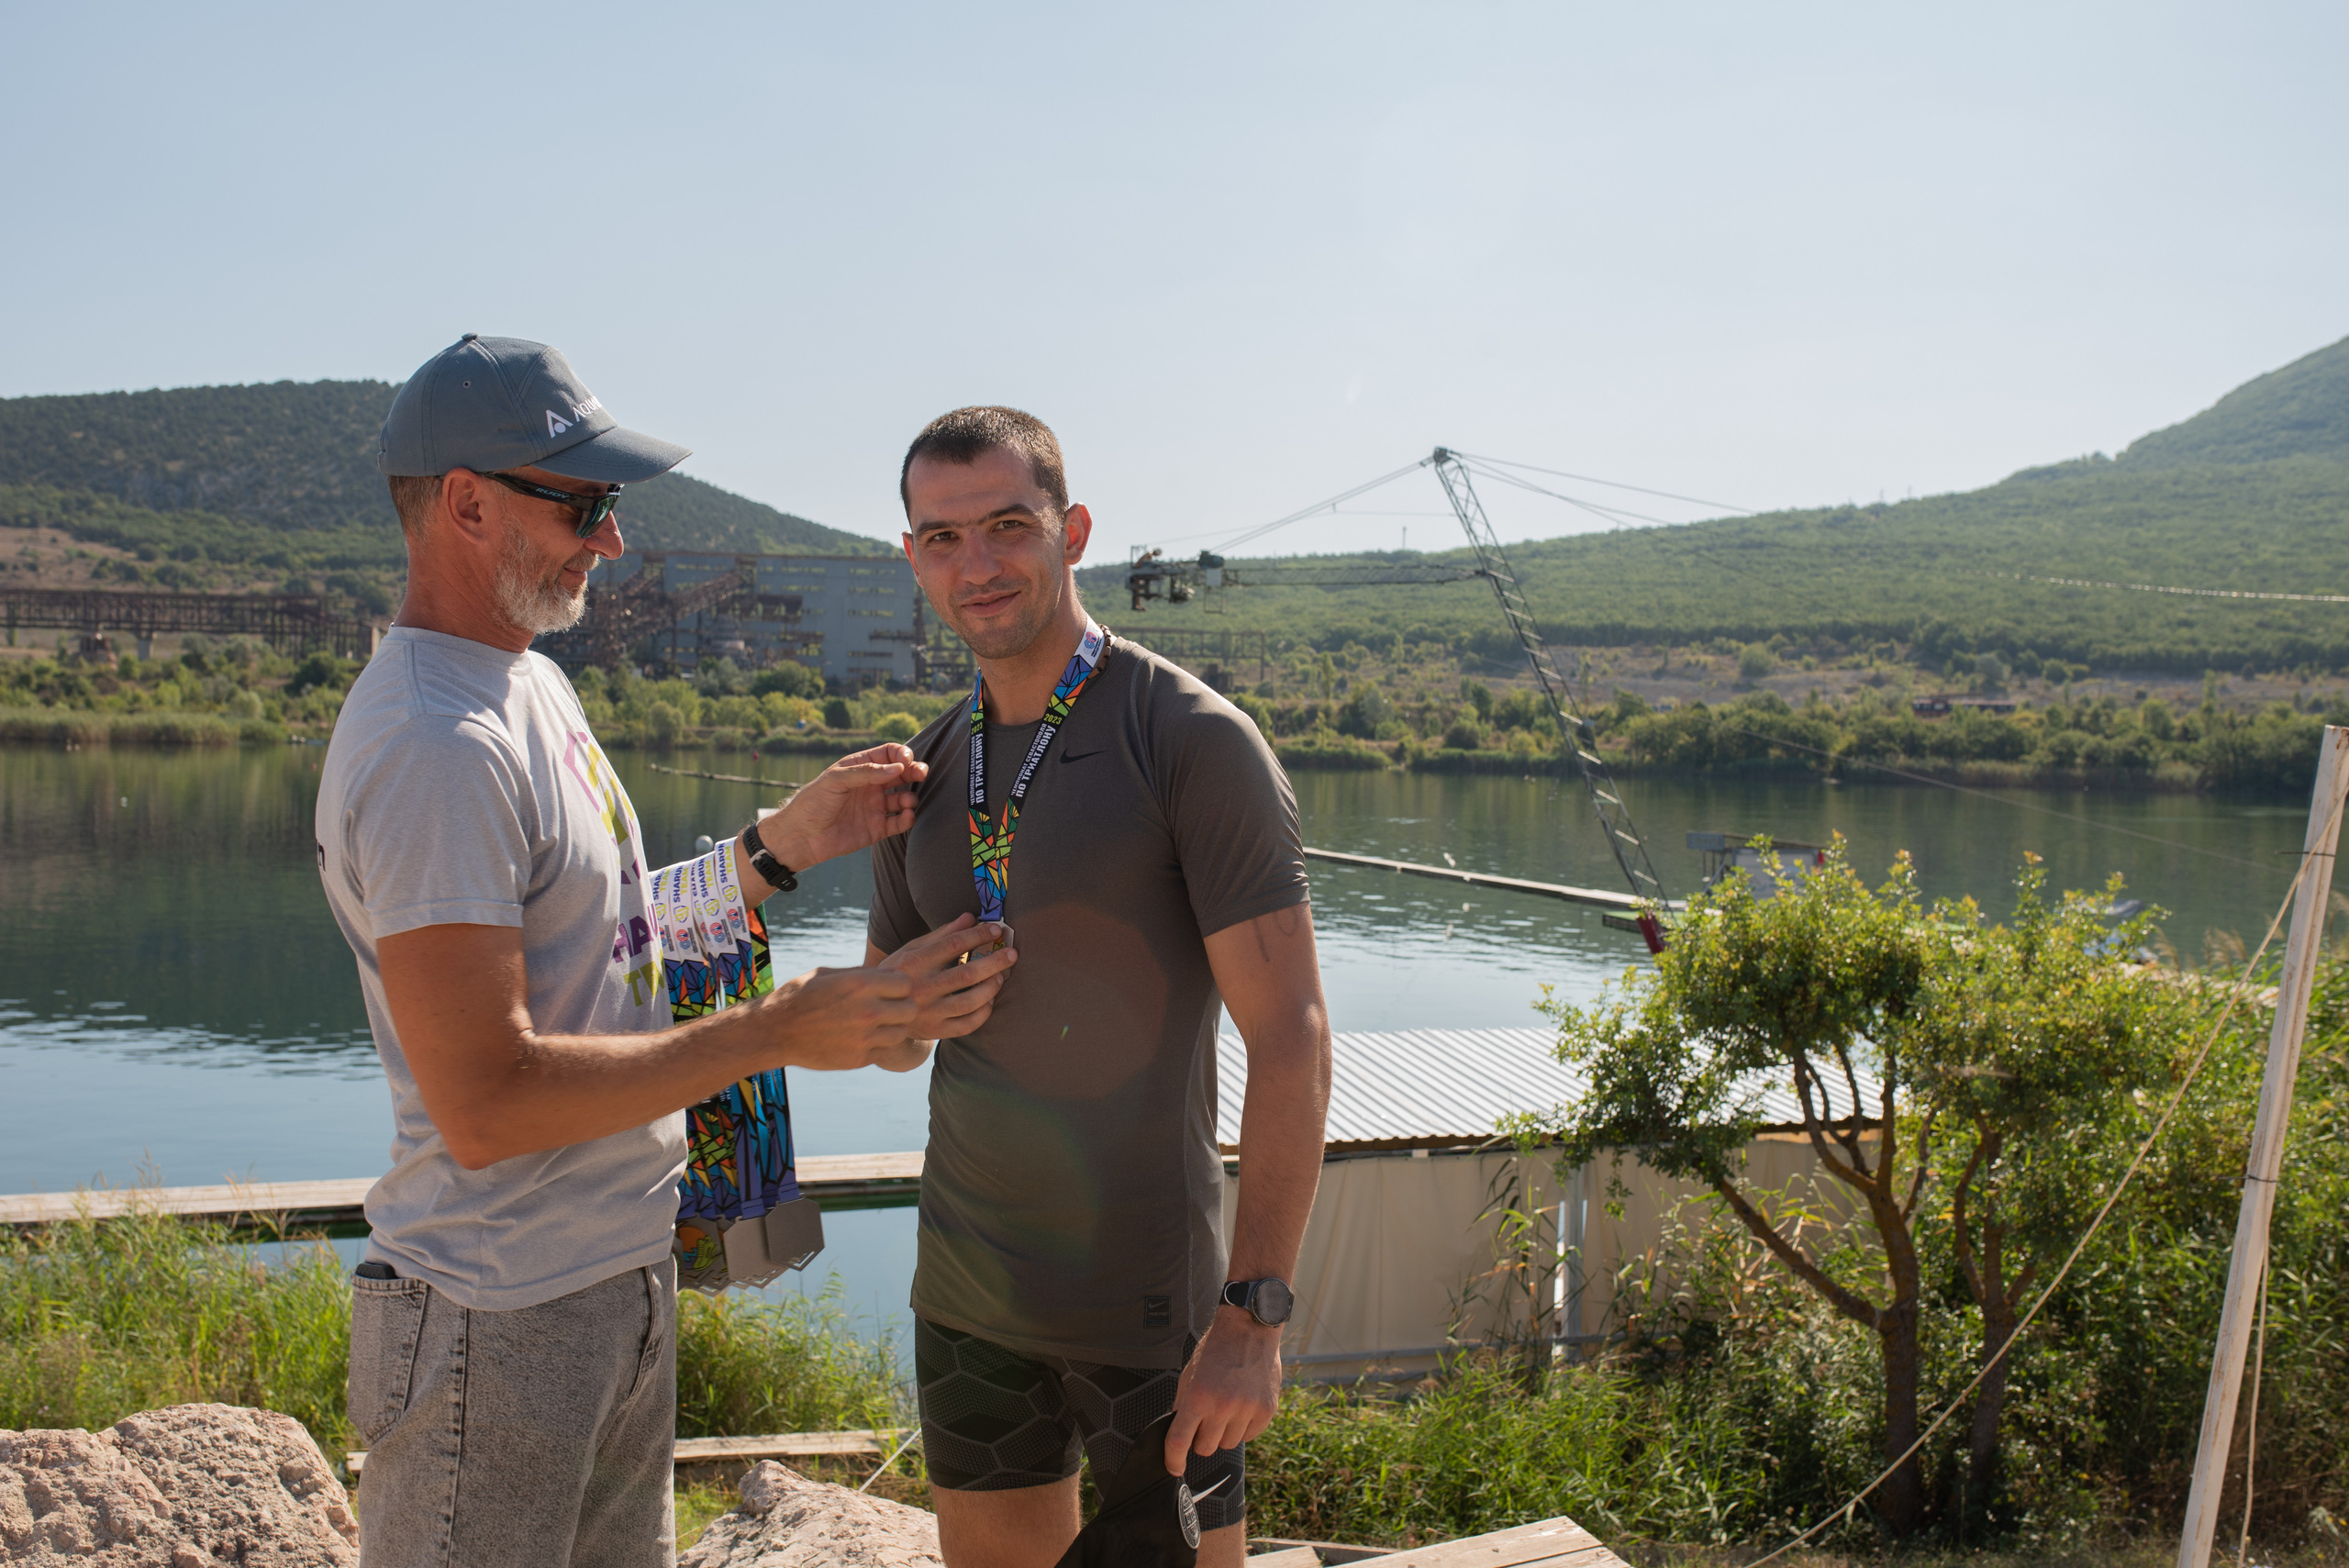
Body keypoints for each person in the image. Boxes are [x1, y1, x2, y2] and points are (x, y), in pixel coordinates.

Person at [318, 335, 1013, 1568]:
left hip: (605, 1290)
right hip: (495, 1317)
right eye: (582, 504)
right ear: (467, 503)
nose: (613, 540)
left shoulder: (522, 685)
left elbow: (602, 935)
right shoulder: (436, 745)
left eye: (614, 504)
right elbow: (482, 1100)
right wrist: (780, 1028)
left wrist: (774, 851)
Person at [865, 406, 1333, 1568]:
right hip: (967, 1296)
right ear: (912, 557)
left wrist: (1254, 1315)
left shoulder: (1189, 740)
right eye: (942, 537)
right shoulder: (922, 771)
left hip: (1156, 1316)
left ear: (1071, 532)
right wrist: (899, 1001)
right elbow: (885, 1038)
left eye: (1008, 525)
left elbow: (1292, 1036)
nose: (977, 565)